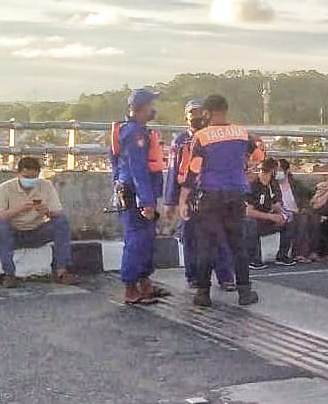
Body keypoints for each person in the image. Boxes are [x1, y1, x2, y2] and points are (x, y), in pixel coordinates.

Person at [178, 94, 279, 307]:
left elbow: (193, 170)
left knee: (207, 246)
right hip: (235, 195)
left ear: (207, 112)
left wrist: (183, 199)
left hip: (210, 196)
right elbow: (260, 156)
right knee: (238, 245)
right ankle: (245, 292)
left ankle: (203, 294)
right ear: (226, 110)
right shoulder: (241, 133)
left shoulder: (202, 136)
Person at [164, 99, 234, 291]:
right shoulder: (180, 142)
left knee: (220, 236)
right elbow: (173, 171)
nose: (196, 117)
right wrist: (170, 201)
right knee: (190, 237)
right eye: (192, 113)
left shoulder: (213, 137)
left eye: (199, 112)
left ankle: (226, 277)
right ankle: (193, 276)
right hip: (188, 197)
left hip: (214, 194)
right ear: (185, 118)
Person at [111, 88, 167, 304]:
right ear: (142, 108)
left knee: (146, 240)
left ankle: (144, 283)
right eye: (151, 105)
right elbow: (137, 169)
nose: (154, 109)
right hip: (134, 193)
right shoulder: (134, 134)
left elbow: (115, 163)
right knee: (136, 240)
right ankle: (131, 288)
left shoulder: (133, 130)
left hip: (135, 191)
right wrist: (146, 201)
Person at [0, 157, 77, 288]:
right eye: (26, 177)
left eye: (34, 177)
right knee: (0, 226)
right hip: (14, 233)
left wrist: (47, 212)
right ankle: (9, 274)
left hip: (37, 231)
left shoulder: (46, 186)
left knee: (61, 222)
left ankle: (62, 271)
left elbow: (58, 213)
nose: (30, 180)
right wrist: (19, 209)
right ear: (18, 173)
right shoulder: (5, 188)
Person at [245, 158, 297, 268]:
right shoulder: (253, 186)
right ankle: (254, 259)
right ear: (272, 171)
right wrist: (271, 217)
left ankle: (282, 256)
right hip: (255, 221)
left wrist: (281, 214)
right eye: (277, 170)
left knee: (289, 219)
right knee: (250, 222)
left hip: (267, 220)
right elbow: (248, 211)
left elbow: (276, 203)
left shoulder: (273, 185)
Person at [276, 159, 317, 263]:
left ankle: (302, 253)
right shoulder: (272, 185)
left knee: (308, 218)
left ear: (286, 171)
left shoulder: (295, 184)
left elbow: (308, 194)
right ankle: (297, 253)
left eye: (279, 170)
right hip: (280, 213)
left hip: (295, 212)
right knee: (299, 220)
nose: (277, 172)